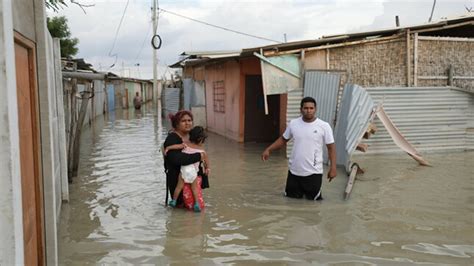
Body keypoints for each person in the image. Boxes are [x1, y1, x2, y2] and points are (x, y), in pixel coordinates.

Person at [261, 96, 337, 200]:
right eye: (305, 108)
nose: (308, 111)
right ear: (301, 109)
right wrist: (269, 149)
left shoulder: (324, 126)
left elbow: (331, 148)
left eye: (311, 108)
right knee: (291, 201)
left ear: (315, 109)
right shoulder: (294, 124)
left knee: (313, 203)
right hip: (294, 171)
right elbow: (283, 139)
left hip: (314, 172)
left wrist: (333, 168)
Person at [163, 111, 209, 210]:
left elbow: (202, 156)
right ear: (176, 124)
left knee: (193, 208)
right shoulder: (172, 139)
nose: (187, 123)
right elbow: (176, 159)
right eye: (183, 121)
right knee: (182, 209)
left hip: (193, 178)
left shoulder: (192, 137)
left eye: (189, 120)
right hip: (178, 180)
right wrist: (199, 156)